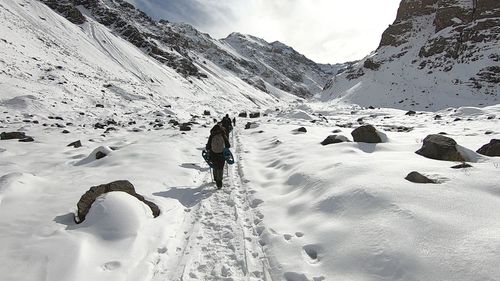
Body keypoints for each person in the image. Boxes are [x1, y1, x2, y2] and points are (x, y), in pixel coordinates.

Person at [206, 123, 230, 188]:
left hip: (213, 153)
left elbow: (208, 146)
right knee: (220, 167)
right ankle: (219, 182)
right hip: (221, 153)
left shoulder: (212, 135)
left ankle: (215, 178)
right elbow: (228, 145)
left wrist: (209, 149)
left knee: (214, 166)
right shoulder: (223, 134)